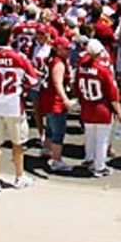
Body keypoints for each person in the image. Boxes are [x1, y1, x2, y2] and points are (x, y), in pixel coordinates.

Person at [0, 21, 39, 195]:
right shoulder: (20, 58)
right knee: (18, 142)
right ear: (11, 37)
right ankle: (19, 176)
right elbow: (33, 81)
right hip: (13, 105)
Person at [74, 38, 121, 177]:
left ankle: (89, 159)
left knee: (89, 136)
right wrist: (119, 113)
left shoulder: (80, 68)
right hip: (102, 108)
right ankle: (100, 167)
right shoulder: (103, 70)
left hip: (87, 106)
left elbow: (76, 88)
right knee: (102, 139)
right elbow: (113, 95)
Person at [40, 33, 73, 173]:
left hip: (49, 98)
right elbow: (57, 82)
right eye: (66, 49)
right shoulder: (58, 63)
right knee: (58, 131)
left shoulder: (52, 59)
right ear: (59, 48)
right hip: (55, 101)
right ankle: (56, 159)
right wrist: (65, 99)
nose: (69, 51)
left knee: (50, 128)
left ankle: (47, 150)